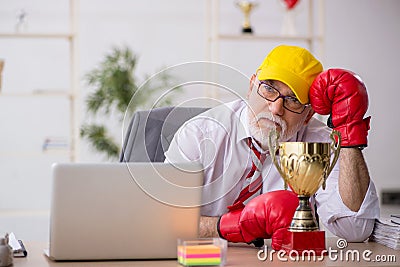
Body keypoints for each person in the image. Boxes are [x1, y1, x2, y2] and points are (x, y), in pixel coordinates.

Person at [164, 45, 380, 249]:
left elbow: (356, 230)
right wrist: (230, 226)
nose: (276, 108)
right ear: (251, 86)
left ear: (308, 115)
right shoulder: (199, 134)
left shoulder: (320, 143)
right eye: (268, 88)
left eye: (293, 100)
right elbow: (163, 220)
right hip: (206, 257)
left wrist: (350, 134)